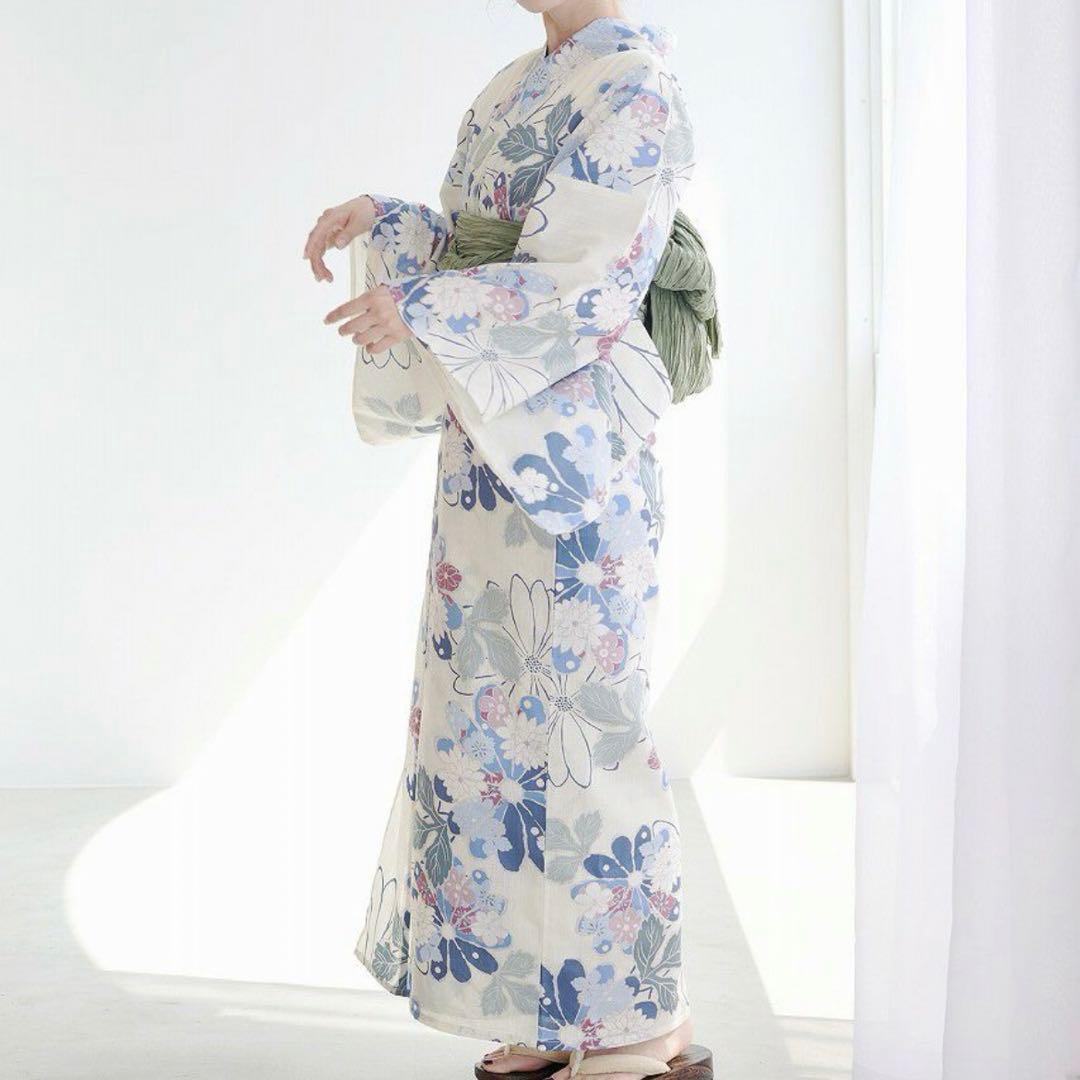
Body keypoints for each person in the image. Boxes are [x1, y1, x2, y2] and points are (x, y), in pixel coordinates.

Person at [304, 3, 711, 1077]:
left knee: (584, 727)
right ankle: (543, 1002)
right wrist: (388, 225)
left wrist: (430, 305)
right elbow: (479, 249)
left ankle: (642, 1019)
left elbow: (590, 278)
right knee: (487, 733)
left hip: (580, 453)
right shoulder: (516, 85)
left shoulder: (635, 82)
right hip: (490, 448)